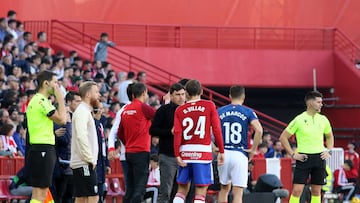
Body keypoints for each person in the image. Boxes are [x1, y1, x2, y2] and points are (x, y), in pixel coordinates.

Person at [173, 79, 225, 203]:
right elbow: (217, 130)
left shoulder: (179, 110)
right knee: (201, 190)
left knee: (181, 190)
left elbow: (177, 133)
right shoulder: (209, 105)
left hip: (185, 153)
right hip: (203, 153)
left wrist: (176, 154)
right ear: (201, 91)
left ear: (186, 93)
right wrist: (221, 151)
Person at [279, 91, 334, 203]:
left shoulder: (323, 119)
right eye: (318, 102)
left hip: (320, 158)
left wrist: (329, 151)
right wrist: (293, 154)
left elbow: (329, 137)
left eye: (321, 102)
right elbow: (283, 137)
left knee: (316, 191)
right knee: (297, 191)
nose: (321, 104)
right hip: (304, 158)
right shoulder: (299, 119)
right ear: (310, 103)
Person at [216, 85, 263, 203]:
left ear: (229, 96)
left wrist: (213, 147)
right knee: (238, 193)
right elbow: (259, 130)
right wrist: (252, 149)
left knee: (224, 189)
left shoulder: (220, 111)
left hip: (223, 152)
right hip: (239, 153)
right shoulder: (248, 111)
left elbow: (207, 129)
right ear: (243, 96)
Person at [26, 70, 67, 203]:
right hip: (42, 147)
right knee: (40, 192)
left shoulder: (39, 100)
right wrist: (60, 98)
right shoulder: (41, 101)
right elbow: (62, 120)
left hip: (40, 147)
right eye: (55, 82)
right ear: (46, 83)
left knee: (43, 191)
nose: (57, 85)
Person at [117, 82, 156, 203]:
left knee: (131, 187)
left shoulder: (125, 110)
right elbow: (158, 116)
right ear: (144, 93)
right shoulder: (143, 107)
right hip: (141, 151)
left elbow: (120, 133)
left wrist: (128, 142)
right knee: (140, 187)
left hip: (128, 152)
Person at [149, 83, 186, 203]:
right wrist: (169, 132)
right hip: (168, 155)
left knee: (182, 192)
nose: (181, 97)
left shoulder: (188, 109)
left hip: (186, 155)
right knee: (166, 191)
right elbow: (153, 130)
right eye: (178, 95)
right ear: (171, 95)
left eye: (183, 94)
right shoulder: (163, 110)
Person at [70, 81, 100, 203]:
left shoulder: (84, 111)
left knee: (81, 198)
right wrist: (89, 158)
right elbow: (81, 136)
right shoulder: (82, 111)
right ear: (88, 94)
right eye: (96, 92)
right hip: (84, 162)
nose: (99, 95)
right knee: (93, 197)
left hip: (82, 162)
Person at [54, 91, 81, 203]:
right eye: (77, 101)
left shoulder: (75, 120)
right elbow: (65, 140)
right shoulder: (60, 123)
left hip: (72, 166)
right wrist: (69, 123)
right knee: (61, 197)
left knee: (70, 197)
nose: (79, 104)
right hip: (62, 166)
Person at [94, 102, 111, 203]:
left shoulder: (100, 124)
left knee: (101, 193)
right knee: (95, 195)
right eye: (100, 108)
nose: (102, 111)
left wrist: (107, 163)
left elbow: (103, 146)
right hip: (95, 163)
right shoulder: (93, 124)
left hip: (102, 163)